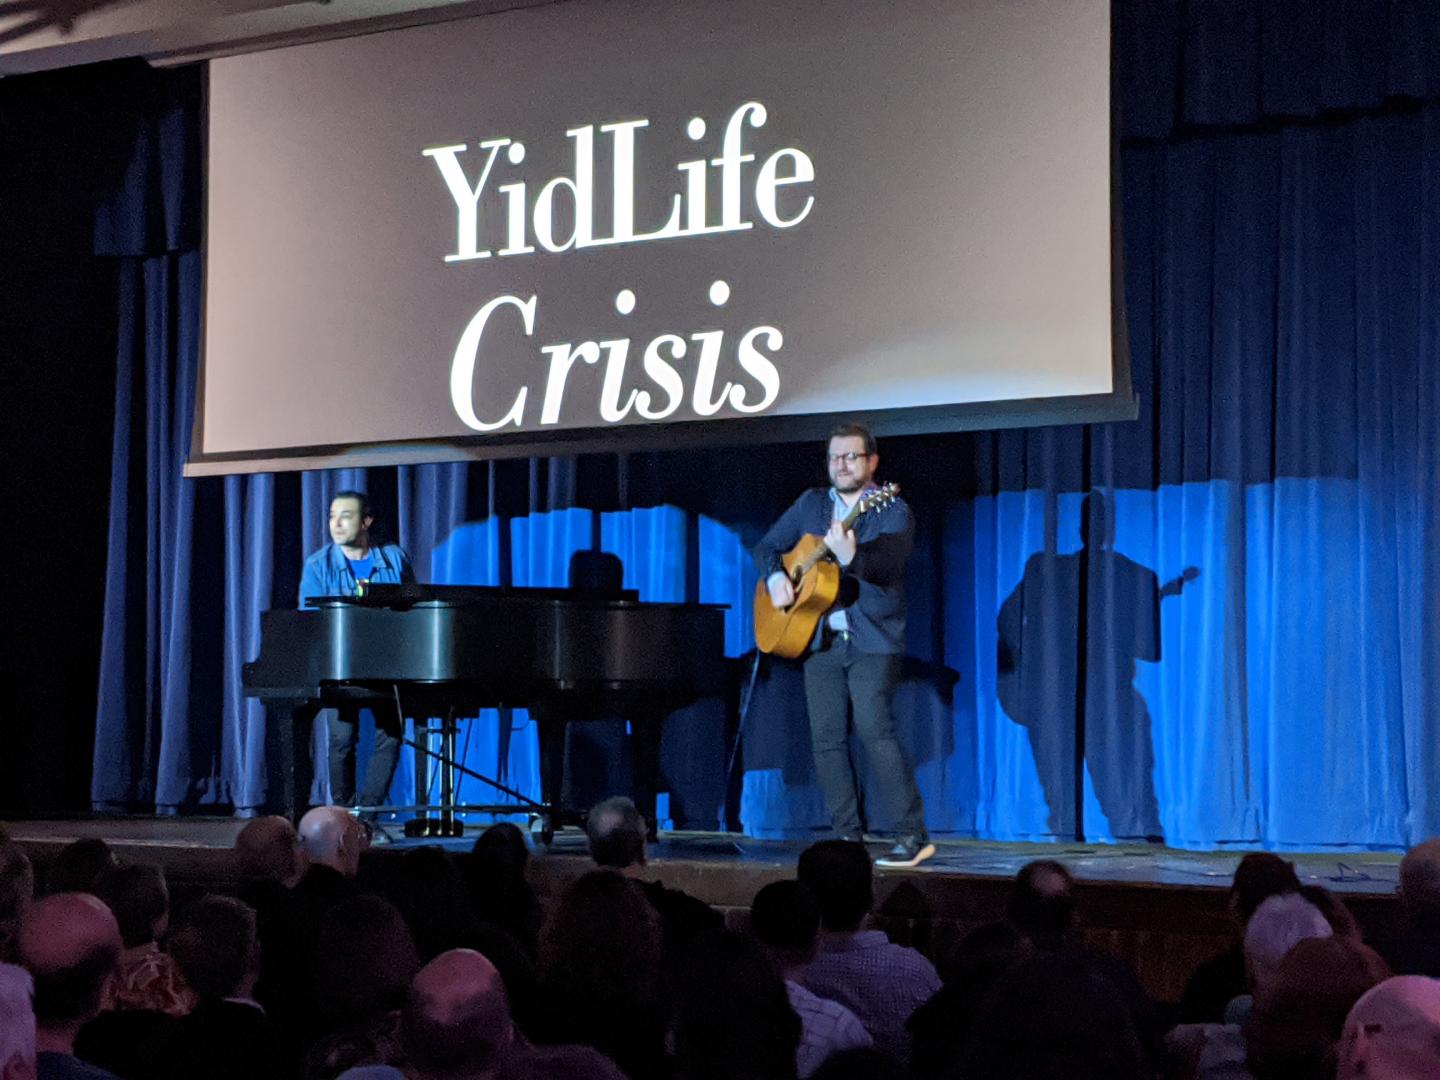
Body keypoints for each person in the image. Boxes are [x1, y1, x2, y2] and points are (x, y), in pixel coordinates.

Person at [753, 422, 930, 868]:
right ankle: (846, 838)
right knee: (827, 740)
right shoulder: (811, 505)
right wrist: (776, 576)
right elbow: (768, 546)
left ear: (871, 463)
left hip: (873, 639)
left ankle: (912, 835)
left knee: (875, 730)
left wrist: (852, 556)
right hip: (820, 641)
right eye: (835, 457)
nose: (842, 465)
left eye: (851, 457)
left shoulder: (890, 509)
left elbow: (888, 565)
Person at [300, 490, 415, 808]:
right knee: (341, 741)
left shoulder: (394, 557)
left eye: (345, 516)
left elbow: (412, 609)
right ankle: (342, 812)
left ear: (366, 521)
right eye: (332, 516)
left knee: (390, 737)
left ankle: (368, 816)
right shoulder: (317, 564)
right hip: (340, 667)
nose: (335, 523)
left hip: (387, 665)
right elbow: (310, 620)